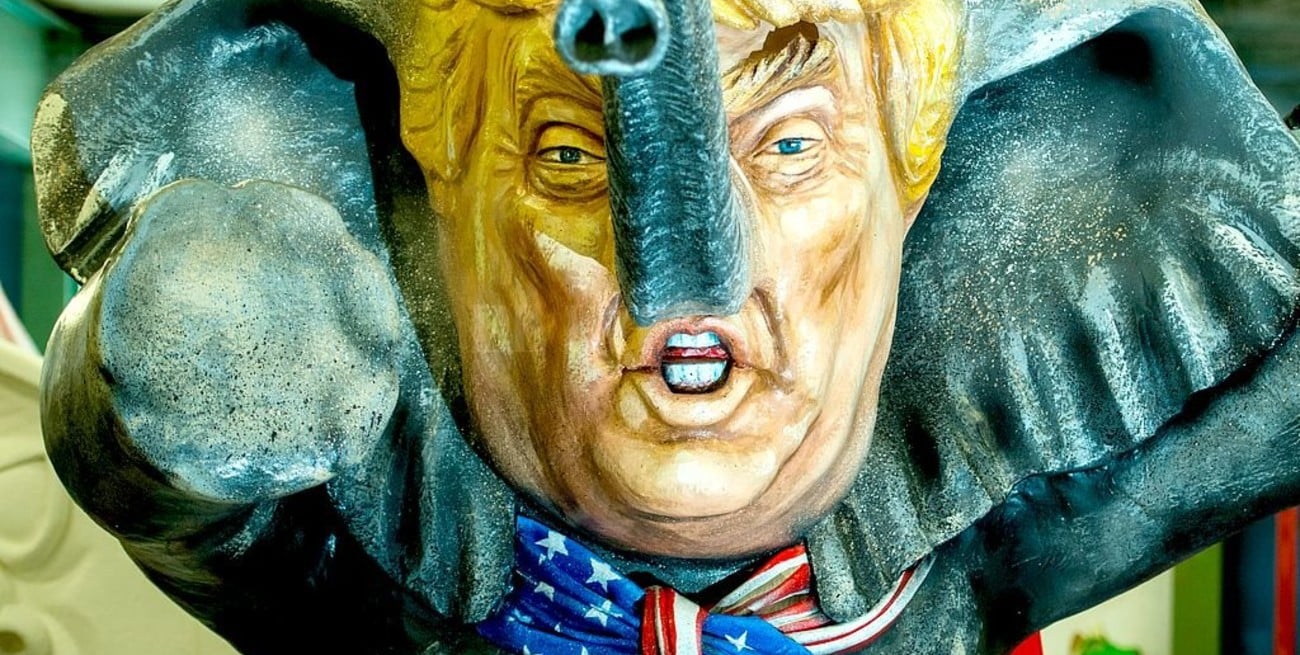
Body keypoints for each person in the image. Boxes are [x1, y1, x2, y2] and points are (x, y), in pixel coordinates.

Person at [31, 0, 1300, 652]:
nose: (683, 283)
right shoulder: (378, 557)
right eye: (568, 155)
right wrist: (203, 346)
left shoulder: (948, 550)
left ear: (935, 190)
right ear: (429, 198)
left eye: (791, 148)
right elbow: (159, 479)